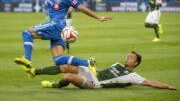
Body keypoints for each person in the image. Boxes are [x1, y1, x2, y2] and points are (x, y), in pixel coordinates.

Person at [12, 0, 112, 74]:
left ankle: (27, 60)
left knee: (27, 33)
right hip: (60, 29)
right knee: (58, 60)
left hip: (57, 25)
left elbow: (82, 8)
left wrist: (98, 17)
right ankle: (88, 63)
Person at [23, 51, 177, 90]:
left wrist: (168, 86)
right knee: (66, 67)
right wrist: (93, 66)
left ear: (135, 63)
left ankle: (55, 85)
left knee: (69, 76)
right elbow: (104, 71)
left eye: (131, 57)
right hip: (93, 74)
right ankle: (34, 72)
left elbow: (150, 82)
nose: (127, 57)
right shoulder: (117, 64)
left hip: (94, 83)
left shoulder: (133, 76)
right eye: (128, 55)